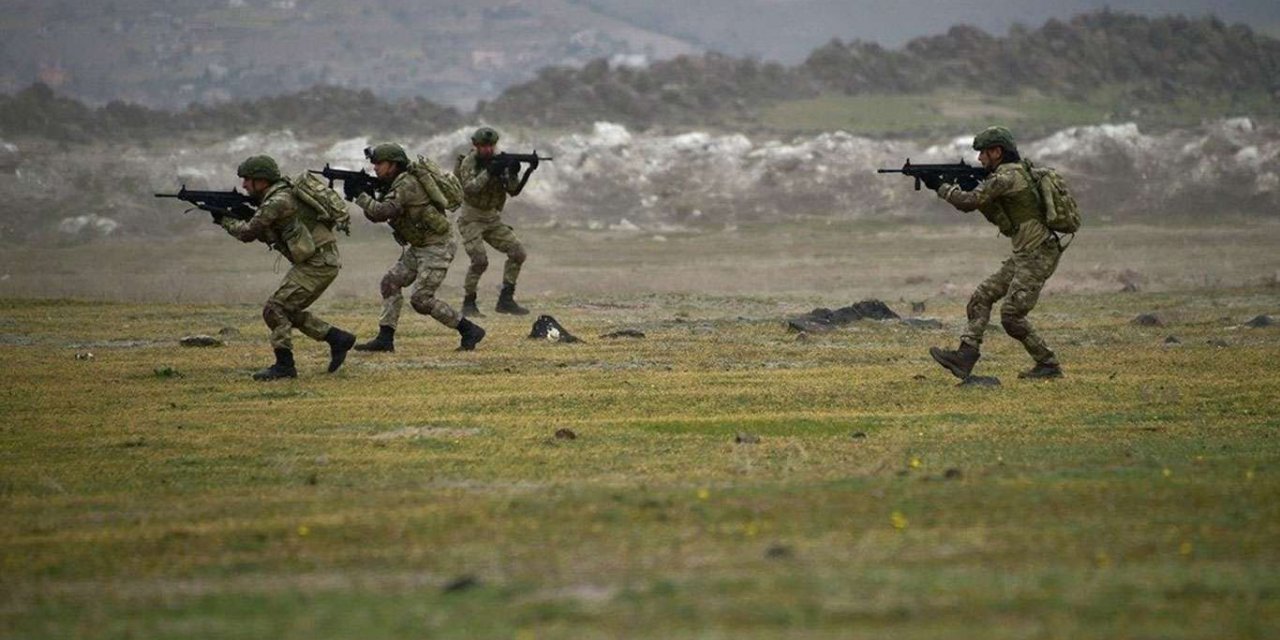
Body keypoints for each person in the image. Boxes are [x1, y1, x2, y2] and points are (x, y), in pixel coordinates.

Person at [924, 126, 1065, 380]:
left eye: (983, 154)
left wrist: (940, 187)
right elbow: (979, 203)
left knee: (1011, 316)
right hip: (1026, 254)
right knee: (981, 298)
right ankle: (965, 357)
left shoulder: (1007, 177)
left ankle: (1049, 364)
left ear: (997, 152)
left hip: (1038, 254)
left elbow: (968, 202)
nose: (979, 159)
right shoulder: (1012, 173)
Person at [222, 155, 356, 380]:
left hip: (318, 264)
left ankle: (285, 366)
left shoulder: (277, 201)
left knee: (274, 309)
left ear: (262, 180)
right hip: (319, 262)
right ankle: (337, 338)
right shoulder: (279, 195)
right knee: (286, 310)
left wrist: (224, 219)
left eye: (248, 180)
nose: (244, 185)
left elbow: (247, 233)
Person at [349, 143, 485, 353]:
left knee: (421, 300)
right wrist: (366, 195)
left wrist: (361, 196)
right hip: (420, 246)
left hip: (437, 247)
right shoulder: (396, 183)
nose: (375, 168)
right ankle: (385, 340)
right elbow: (378, 214)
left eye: (379, 163)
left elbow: (382, 211)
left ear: (393, 165)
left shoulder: (406, 184)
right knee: (390, 283)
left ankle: (469, 330)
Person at [455, 126, 535, 316]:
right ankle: (469, 303)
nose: (488, 150)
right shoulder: (469, 163)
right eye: (484, 146)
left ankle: (506, 300)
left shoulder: (500, 162)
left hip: (492, 218)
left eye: (491, 146)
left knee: (518, 253)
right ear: (475, 146)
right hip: (471, 218)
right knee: (479, 261)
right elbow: (470, 188)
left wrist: (517, 172)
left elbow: (513, 191)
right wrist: (490, 171)